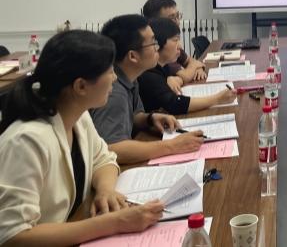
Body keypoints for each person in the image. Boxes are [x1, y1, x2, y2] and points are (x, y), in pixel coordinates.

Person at [0, 30, 164, 246]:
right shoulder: (25, 141)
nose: (115, 78)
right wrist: (115, 223)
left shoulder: (78, 116)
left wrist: (105, 190)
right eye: (109, 72)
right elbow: (14, 235)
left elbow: (104, 159)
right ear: (81, 86)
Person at [90, 14, 204, 165]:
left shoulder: (131, 77)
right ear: (133, 56)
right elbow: (111, 149)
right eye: (153, 43)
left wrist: (150, 119)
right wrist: (172, 146)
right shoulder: (113, 91)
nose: (157, 47)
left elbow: (133, 115)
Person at [139, 18, 236, 114]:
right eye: (175, 40)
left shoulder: (163, 66)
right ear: (157, 44)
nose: (180, 46)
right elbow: (175, 104)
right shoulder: (149, 74)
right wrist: (218, 99)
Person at [142, 0, 206, 87]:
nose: (178, 22)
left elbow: (189, 60)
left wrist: (198, 68)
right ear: (156, 22)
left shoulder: (173, 45)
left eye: (178, 16)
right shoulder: (161, 49)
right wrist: (195, 66)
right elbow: (185, 76)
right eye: (172, 18)